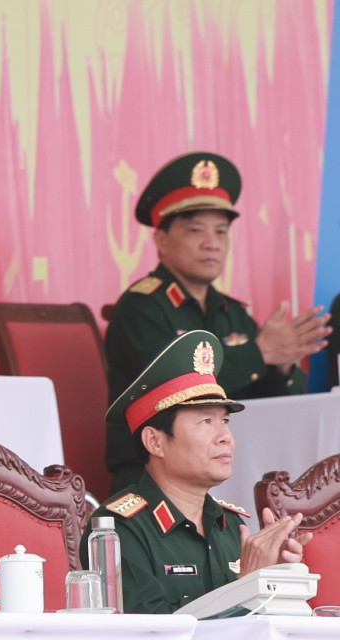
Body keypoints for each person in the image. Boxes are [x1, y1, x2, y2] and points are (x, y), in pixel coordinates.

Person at [105, 152, 332, 491]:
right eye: (196, 230)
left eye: (222, 232)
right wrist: (260, 353)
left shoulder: (233, 312)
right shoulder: (141, 308)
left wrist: (281, 366)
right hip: (152, 479)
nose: (212, 243)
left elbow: (271, 403)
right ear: (161, 240)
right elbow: (174, 392)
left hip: (231, 473)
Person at [81, 330, 312, 614]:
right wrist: (249, 585)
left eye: (225, 421)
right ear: (155, 441)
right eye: (205, 421)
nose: (225, 436)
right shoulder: (117, 529)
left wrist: (278, 580)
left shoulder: (230, 523)